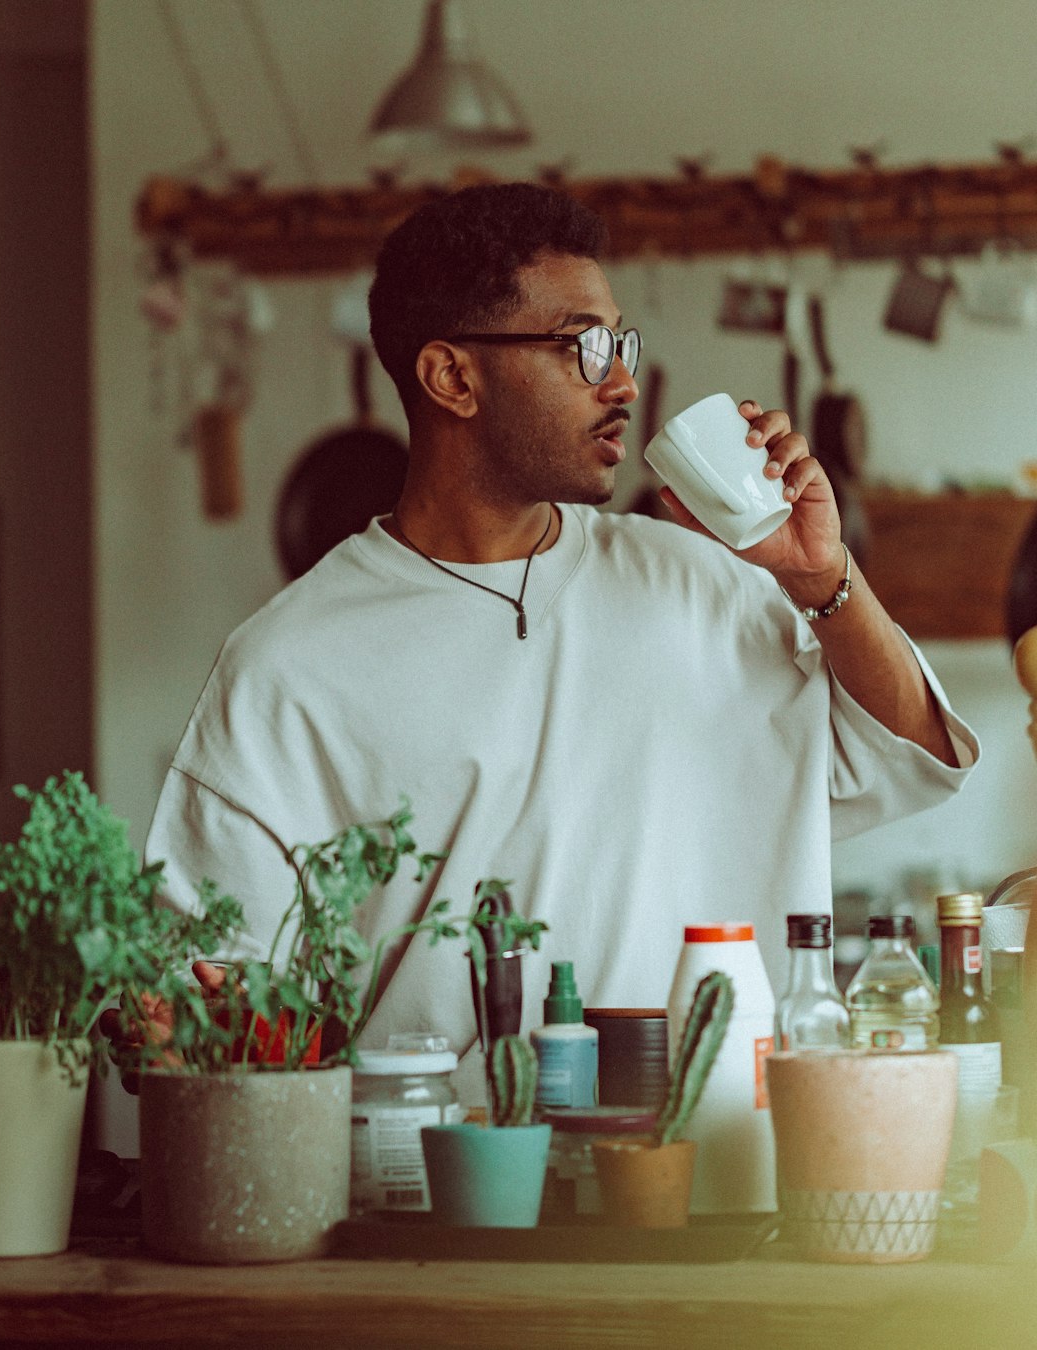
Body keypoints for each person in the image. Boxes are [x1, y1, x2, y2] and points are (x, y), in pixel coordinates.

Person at [140, 181, 977, 1099]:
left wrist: (824, 582)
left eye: (621, 344)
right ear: (452, 377)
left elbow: (917, 756)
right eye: (582, 346)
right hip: (431, 1194)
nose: (619, 381)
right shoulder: (287, 668)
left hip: (722, 1169)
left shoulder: (711, 586)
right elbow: (195, 1011)